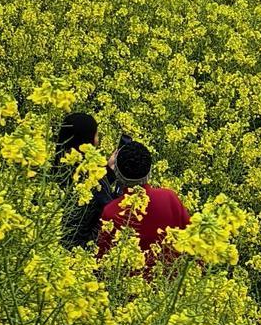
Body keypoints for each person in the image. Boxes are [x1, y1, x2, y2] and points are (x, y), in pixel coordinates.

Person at [96, 138, 190, 274]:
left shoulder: (111, 212)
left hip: (126, 290)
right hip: (172, 286)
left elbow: (102, 259)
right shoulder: (170, 198)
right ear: (150, 172)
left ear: (117, 173)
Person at [52, 109, 122, 250]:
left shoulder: (59, 166)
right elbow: (108, 207)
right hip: (82, 249)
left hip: (55, 242)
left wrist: (108, 171)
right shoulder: (89, 174)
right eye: (96, 135)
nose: (98, 139)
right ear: (86, 140)